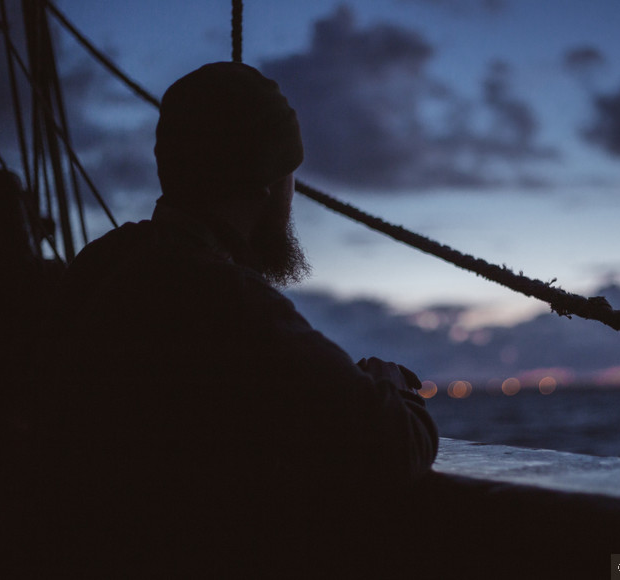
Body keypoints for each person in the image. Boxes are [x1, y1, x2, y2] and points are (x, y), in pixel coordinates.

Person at [37, 62, 438, 576]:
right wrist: (387, 383)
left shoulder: (103, 263)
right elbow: (397, 446)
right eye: (291, 175)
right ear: (268, 183)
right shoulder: (222, 297)